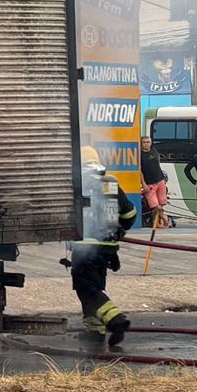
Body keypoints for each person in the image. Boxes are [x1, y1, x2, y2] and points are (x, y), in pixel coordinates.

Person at [68, 148, 135, 347]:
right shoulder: (111, 183)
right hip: (108, 248)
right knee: (93, 287)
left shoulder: (78, 183)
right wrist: (120, 229)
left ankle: (116, 320)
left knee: (87, 289)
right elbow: (130, 214)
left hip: (85, 246)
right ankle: (95, 331)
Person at [139, 136, 170, 229]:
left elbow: (158, 165)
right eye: (144, 142)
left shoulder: (154, 151)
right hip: (149, 184)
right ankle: (165, 219)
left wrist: (163, 179)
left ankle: (156, 222)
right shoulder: (140, 155)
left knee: (161, 204)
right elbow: (140, 171)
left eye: (148, 142)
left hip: (160, 180)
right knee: (155, 205)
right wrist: (144, 184)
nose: (146, 144)